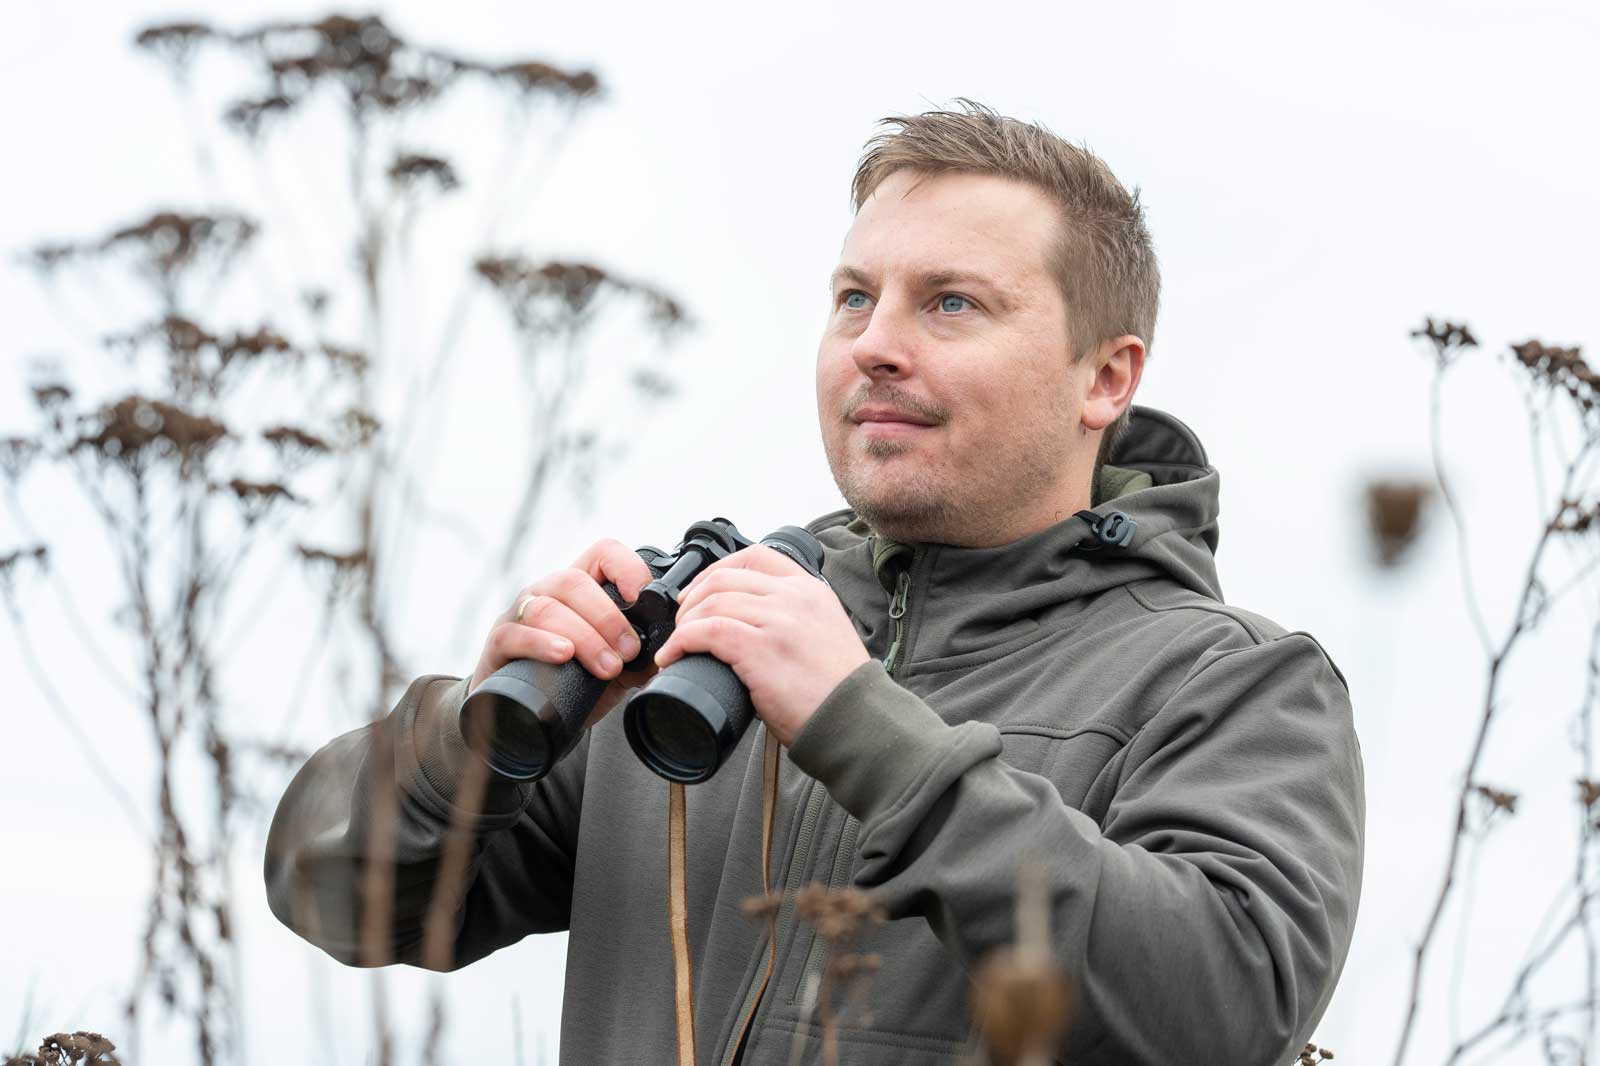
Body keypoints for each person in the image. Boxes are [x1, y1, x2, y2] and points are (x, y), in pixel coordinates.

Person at [265, 99, 1364, 1065]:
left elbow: (1225, 1010)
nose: (874, 343)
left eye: (950, 304)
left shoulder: (1232, 685)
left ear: (1105, 377)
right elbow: (334, 897)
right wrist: (471, 735)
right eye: (853, 297)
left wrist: (862, 729)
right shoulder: (700, 657)